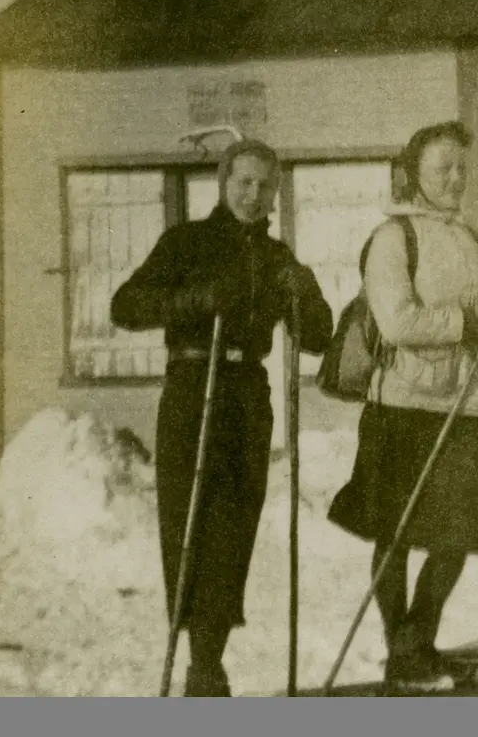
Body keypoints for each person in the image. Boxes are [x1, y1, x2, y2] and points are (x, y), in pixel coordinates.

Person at [110, 139, 334, 696]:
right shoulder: (186, 241)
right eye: (243, 182)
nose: (252, 194)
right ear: (224, 183)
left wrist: (305, 294)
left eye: (264, 186)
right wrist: (197, 298)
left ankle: (210, 659)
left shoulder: (278, 258)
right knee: (189, 526)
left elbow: (320, 338)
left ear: (275, 192)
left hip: (246, 397)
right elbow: (126, 305)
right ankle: (199, 660)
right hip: (192, 387)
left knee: (234, 530)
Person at [327, 121, 478, 689]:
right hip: (402, 403)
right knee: (394, 535)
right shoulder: (394, 238)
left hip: (462, 404)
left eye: (461, 167)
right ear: (414, 172)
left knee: (456, 537)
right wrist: (467, 322)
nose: (455, 178)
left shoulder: (470, 238)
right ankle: (404, 654)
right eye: (442, 167)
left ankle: (418, 642)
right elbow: (396, 321)